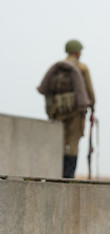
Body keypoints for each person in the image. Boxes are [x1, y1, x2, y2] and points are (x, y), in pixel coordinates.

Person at [38, 39, 96, 178]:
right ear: (77, 52)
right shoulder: (82, 68)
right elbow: (89, 90)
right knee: (73, 141)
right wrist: (92, 108)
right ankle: (69, 174)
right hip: (76, 111)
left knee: (61, 141)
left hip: (57, 110)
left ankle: (59, 172)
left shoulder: (57, 67)